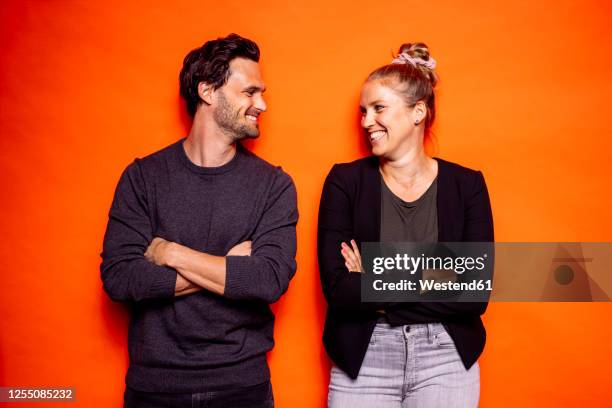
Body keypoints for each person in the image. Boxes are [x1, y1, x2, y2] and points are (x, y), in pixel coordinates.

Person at [100, 33, 298, 408]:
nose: (263, 104)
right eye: (250, 92)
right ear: (208, 92)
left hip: (242, 386)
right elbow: (120, 278)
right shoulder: (143, 178)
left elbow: (268, 279)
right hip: (154, 387)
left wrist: (170, 252)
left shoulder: (274, 185)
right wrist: (230, 267)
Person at [318, 42, 494, 407]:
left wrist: (375, 272)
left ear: (418, 112)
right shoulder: (344, 182)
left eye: (378, 108)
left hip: (445, 355)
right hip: (364, 357)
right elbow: (340, 290)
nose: (366, 121)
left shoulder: (467, 185)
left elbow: (475, 292)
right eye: (363, 111)